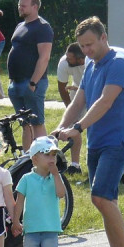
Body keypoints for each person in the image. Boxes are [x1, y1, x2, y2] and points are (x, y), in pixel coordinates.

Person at [53, 17, 124, 247]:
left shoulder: (119, 63)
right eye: (82, 46)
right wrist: (59, 128)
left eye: (90, 44)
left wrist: (77, 128)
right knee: (105, 200)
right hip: (98, 143)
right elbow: (79, 101)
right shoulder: (91, 66)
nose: (86, 50)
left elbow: (105, 101)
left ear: (103, 37)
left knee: (100, 197)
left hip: (118, 142)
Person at [11, 136, 67, 247]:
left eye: (54, 156)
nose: (52, 159)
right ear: (35, 158)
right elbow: (19, 202)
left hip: (50, 228)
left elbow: (61, 194)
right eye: (47, 155)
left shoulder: (55, 178)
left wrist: (57, 175)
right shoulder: (27, 179)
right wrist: (15, 221)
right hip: (31, 228)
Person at [7, 0, 54, 148]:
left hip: (32, 82)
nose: (20, 7)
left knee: (36, 122)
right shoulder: (20, 26)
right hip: (16, 82)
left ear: (35, 7)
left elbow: (44, 57)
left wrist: (33, 83)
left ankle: (45, 155)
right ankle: (27, 160)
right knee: (24, 124)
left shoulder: (42, 27)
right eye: (19, 4)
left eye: (23, 5)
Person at [55, 42, 86, 172]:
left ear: (80, 59)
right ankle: (75, 165)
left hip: (95, 93)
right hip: (77, 94)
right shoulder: (63, 63)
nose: (66, 59)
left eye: (70, 58)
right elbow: (62, 88)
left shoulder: (92, 61)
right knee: (74, 126)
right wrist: (71, 110)